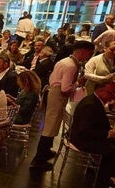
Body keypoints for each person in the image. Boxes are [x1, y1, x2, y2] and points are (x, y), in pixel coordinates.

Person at [30, 40, 95, 172]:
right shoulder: (71, 66)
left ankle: (46, 151)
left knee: (52, 125)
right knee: (50, 127)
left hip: (53, 93)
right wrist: (78, 83)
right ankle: (38, 160)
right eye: (89, 53)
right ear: (83, 51)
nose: (89, 57)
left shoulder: (65, 61)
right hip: (57, 96)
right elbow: (65, 89)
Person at [70, 81, 115, 186]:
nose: (112, 96)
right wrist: (107, 134)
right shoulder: (90, 104)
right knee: (113, 150)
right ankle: (102, 180)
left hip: (81, 136)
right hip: (81, 141)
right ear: (100, 91)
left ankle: (100, 172)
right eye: (111, 93)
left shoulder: (94, 100)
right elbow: (84, 131)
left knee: (114, 143)